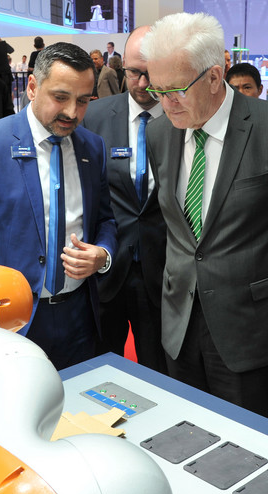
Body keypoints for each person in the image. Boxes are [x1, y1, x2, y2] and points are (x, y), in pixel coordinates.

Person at [141, 13, 268, 420]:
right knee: (186, 436)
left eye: (175, 90)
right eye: (157, 89)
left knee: (249, 450)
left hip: (252, 327)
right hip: (180, 322)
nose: (165, 102)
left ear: (213, 76)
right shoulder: (159, 133)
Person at [0, 42, 117, 371]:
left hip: (80, 317)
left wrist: (102, 254)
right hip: (11, 318)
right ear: (32, 86)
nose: (72, 113)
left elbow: (106, 221)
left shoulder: (93, 146)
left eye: (83, 100)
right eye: (60, 97)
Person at [81, 26, 167, 374]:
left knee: (161, 368)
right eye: (134, 73)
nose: (143, 84)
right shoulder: (96, 116)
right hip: (107, 266)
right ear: (122, 69)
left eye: (151, 73)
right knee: (101, 366)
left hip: (163, 270)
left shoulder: (184, 119)